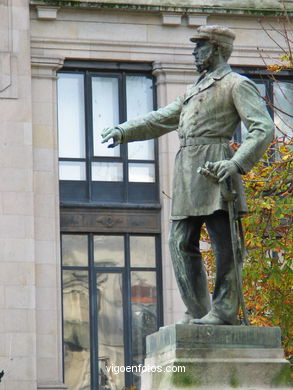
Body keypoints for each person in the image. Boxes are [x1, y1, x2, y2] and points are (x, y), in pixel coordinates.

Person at [101, 25, 274, 325]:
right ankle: (199, 311)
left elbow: (263, 128)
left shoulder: (235, 84)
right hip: (186, 173)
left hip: (216, 170)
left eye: (201, 47)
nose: (194, 52)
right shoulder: (193, 91)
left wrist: (235, 163)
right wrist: (123, 130)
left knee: (226, 246)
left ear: (217, 49)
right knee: (179, 243)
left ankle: (223, 311)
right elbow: (160, 119)